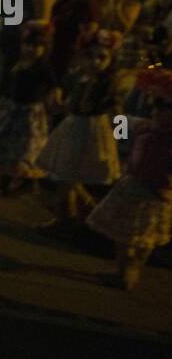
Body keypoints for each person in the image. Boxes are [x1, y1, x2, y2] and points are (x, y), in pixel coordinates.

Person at [86, 67, 172, 290]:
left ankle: (130, 271)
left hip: (158, 193)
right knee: (124, 235)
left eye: (163, 105)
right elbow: (121, 127)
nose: (155, 109)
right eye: (155, 103)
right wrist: (116, 113)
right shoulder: (146, 127)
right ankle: (124, 270)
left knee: (145, 236)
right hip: (135, 185)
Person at [36, 29, 121, 233]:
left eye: (102, 57)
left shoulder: (108, 84)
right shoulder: (78, 77)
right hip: (73, 127)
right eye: (90, 56)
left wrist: (120, 136)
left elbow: (117, 111)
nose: (95, 62)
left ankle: (70, 217)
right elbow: (65, 96)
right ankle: (75, 215)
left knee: (70, 179)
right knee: (67, 177)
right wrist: (58, 100)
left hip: (93, 131)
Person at [0, 21, 56, 196]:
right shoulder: (18, 66)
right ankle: (3, 185)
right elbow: (8, 90)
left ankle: (27, 181)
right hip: (13, 111)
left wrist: (51, 102)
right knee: (6, 149)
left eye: (36, 46)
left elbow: (53, 87)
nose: (31, 49)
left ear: (44, 48)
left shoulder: (43, 69)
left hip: (30, 113)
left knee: (23, 150)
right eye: (27, 45)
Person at [47, 0, 101, 79]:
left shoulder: (89, 6)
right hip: (55, 53)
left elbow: (87, 36)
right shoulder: (61, 3)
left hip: (72, 58)